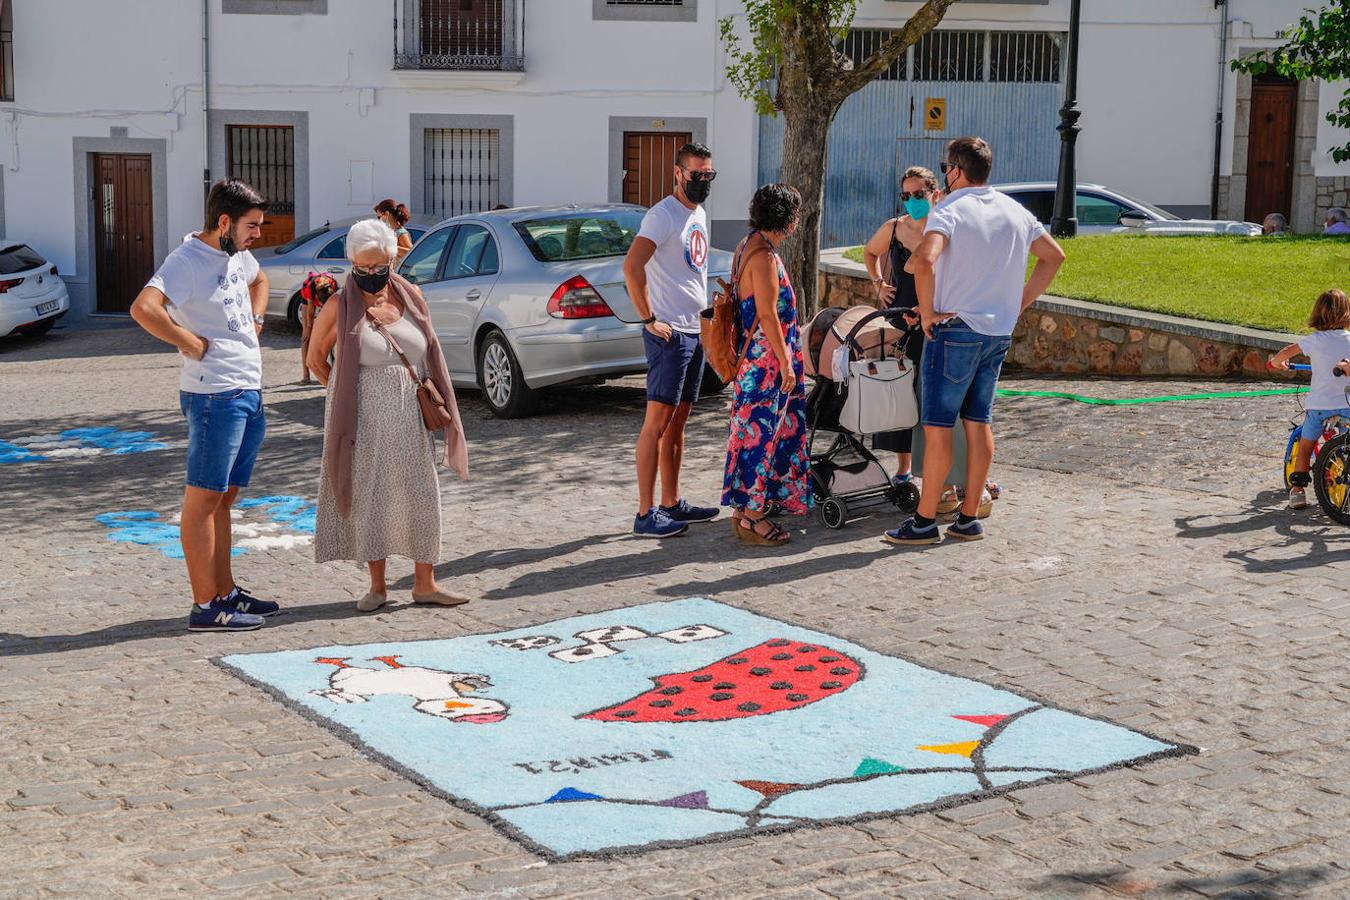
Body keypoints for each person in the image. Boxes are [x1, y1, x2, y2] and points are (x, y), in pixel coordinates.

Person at [885, 137, 1065, 545]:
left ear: (954, 170)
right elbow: (1054, 256)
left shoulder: (949, 209)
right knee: (979, 421)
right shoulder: (1014, 210)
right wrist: (1018, 303)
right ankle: (968, 518)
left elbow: (925, 262)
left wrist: (927, 312)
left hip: (955, 330)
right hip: (996, 331)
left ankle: (925, 521)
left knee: (938, 428)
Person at [129, 178, 281, 631]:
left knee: (225, 498)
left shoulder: (235, 254)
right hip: (214, 395)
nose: (258, 234)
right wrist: (187, 341)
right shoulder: (186, 260)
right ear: (223, 222)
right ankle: (205, 607)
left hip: (247, 390)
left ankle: (226, 592)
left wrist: (255, 318)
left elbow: (261, 279)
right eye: (251, 226)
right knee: (203, 499)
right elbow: (144, 308)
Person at [307, 219, 471, 611]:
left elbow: (428, 349)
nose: (368, 275)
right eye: (360, 268)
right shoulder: (337, 305)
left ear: (391, 261)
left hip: (410, 414)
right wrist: (345, 394)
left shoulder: (411, 296)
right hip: (362, 417)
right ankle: (377, 587)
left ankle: (425, 584)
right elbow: (316, 358)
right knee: (371, 493)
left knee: (421, 492)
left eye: (377, 268)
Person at [623, 141, 721, 538]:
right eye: (696, 175)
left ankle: (671, 502)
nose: (702, 181)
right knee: (656, 423)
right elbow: (632, 267)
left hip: (695, 330)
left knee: (679, 422)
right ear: (677, 174)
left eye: (708, 175)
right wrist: (648, 318)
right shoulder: (661, 216)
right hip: (670, 333)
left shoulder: (697, 212)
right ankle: (645, 513)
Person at [723, 184, 812, 546]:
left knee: (750, 435)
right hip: (767, 362)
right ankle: (753, 517)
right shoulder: (763, 256)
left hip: (759, 361)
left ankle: (746, 509)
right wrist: (788, 363)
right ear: (788, 219)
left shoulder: (748, 246)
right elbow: (767, 315)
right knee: (763, 437)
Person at [863, 166, 940, 487]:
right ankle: (904, 467)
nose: (911, 201)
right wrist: (879, 282)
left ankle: (937, 469)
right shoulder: (894, 228)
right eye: (905, 195)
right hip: (898, 320)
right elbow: (870, 252)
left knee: (933, 396)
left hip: (934, 319)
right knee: (899, 392)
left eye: (918, 195)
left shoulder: (944, 227)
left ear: (934, 194)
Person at [1269, 288, 1350, 509]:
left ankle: (1298, 491)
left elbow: (1287, 351)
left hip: (1320, 406)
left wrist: (1276, 363)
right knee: (1347, 446)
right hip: (1347, 406)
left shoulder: (1315, 340)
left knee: (1306, 446)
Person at [298, 272, 338, 385]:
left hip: (327, 296)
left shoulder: (334, 285)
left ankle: (334, 370)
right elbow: (310, 312)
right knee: (306, 337)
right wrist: (308, 328)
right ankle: (306, 376)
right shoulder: (310, 289)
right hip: (307, 300)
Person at [375, 199, 415, 263]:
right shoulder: (393, 231)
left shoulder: (401, 232)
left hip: (402, 272)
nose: (379, 220)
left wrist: (389, 247)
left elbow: (410, 253)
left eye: (379, 217)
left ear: (387, 213)